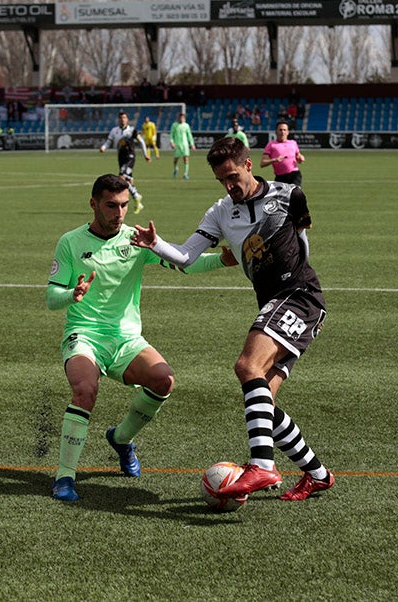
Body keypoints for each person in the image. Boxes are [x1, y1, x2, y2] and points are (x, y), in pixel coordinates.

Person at [131, 137, 335, 502]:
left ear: (249, 166)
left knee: (247, 365)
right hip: (276, 302)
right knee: (263, 402)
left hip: (300, 296)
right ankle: (317, 475)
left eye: (232, 176)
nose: (229, 186)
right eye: (221, 180)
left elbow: (303, 242)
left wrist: (295, 286)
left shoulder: (290, 195)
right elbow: (186, 256)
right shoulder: (221, 212)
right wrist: (156, 243)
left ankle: (262, 465)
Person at [46, 174, 235, 502]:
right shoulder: (70, 242)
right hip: (85, 336)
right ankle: (64, 477)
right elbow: (52, 296)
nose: (119, 212)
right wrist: (72, 295)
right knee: (84, 389)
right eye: (111, 205)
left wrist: (221, 259)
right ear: (93, 204)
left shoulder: (137, 239)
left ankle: (120, 439)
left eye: (123, 205)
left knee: (164, 381)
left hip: (125, 338)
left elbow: (182, 263)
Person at [99, 110, 149, 214]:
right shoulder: (114, 131)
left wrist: (145, 154)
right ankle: (138, 203)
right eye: (121, 118)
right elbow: (109, 142)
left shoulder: (132, 130)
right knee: (129, 181)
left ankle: (136, 196)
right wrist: (104, 147)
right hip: (120, 158)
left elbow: (141, 141)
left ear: (127, 119)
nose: (122, 120)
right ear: (118, 119)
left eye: (124, 118)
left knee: (121, 177)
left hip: (130, 157)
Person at [260, 121, 304, 187]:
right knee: (280, 197)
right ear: (276, 132)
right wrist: (275, 160)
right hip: (280, 177)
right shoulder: (271, 145)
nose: (282, 132)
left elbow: (299, 157)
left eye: (284, 130)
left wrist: (301, 158)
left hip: (294, 174)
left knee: (295, 195)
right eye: (280, 130)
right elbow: (262, 163)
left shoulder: (293, 143)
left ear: (288, 132)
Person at [169, 112, 196, 179]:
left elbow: (189, 135)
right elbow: (171, 134)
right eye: (180, 117)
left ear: (184, 118)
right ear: (178, 118)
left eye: (183, 118)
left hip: (185, 145)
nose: (181, 119)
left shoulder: (186, 125)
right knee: (175, 159)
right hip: (177, 144)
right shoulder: (174, 125)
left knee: (186, 159)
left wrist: (192, 144)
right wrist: (172, 142)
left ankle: (185, 174)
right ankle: (176, 169)